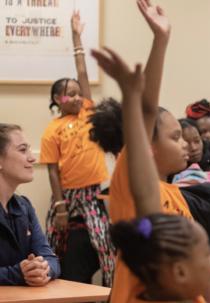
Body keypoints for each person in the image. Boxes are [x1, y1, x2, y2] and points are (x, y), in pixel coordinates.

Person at [94, 43, 210, 301]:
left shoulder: (164, 210)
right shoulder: (133, 187)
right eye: (175, 137)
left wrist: (162, 36)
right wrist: (130, 95)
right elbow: (146, 113)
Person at [39, 11, 113, 286]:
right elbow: (52, 171)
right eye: (69, 92)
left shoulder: (88, 112)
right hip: (66, 195)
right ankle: (52, 290)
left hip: (93, 193)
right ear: (58, 100)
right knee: (51, 242)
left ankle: (110, 290)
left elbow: (83, 72)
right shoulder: (53, 129)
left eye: (78, 91)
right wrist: (60, 207)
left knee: (105, 245)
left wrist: (76, 37)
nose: (76, 95)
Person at [0, 123, 61, 285]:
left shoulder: (24, 206)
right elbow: (19, 273)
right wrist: (18, 273)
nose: (32, 158)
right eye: (22, 150)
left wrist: (43, 270)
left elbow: (50, 259)